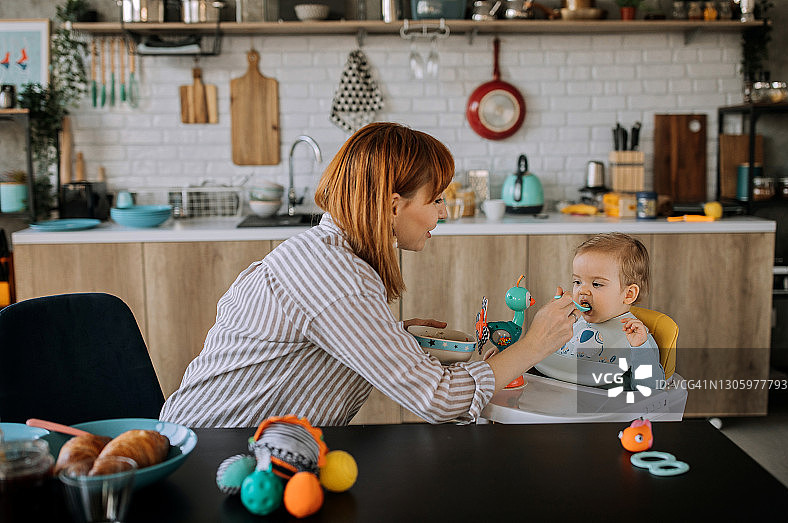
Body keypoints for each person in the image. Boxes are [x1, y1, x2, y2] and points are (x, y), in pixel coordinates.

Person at [159, 122, 577, 428]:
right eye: (435, 199)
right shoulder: (334, 277)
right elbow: (439, 399)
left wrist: (391, 336)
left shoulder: (331, 257)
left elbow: (313, 344)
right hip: (212, 454)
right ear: (394, 206)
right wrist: (535, 344)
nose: (444, 212)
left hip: (240, 448)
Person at [549, 233, 665, 390]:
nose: (582, 290)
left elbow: (649, 388)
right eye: (577, 282)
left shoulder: (636, 338)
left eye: (596, 284)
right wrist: (553, 323)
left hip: (606, 404)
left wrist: (641, 350)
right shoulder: (572, 322)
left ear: (628, 294)